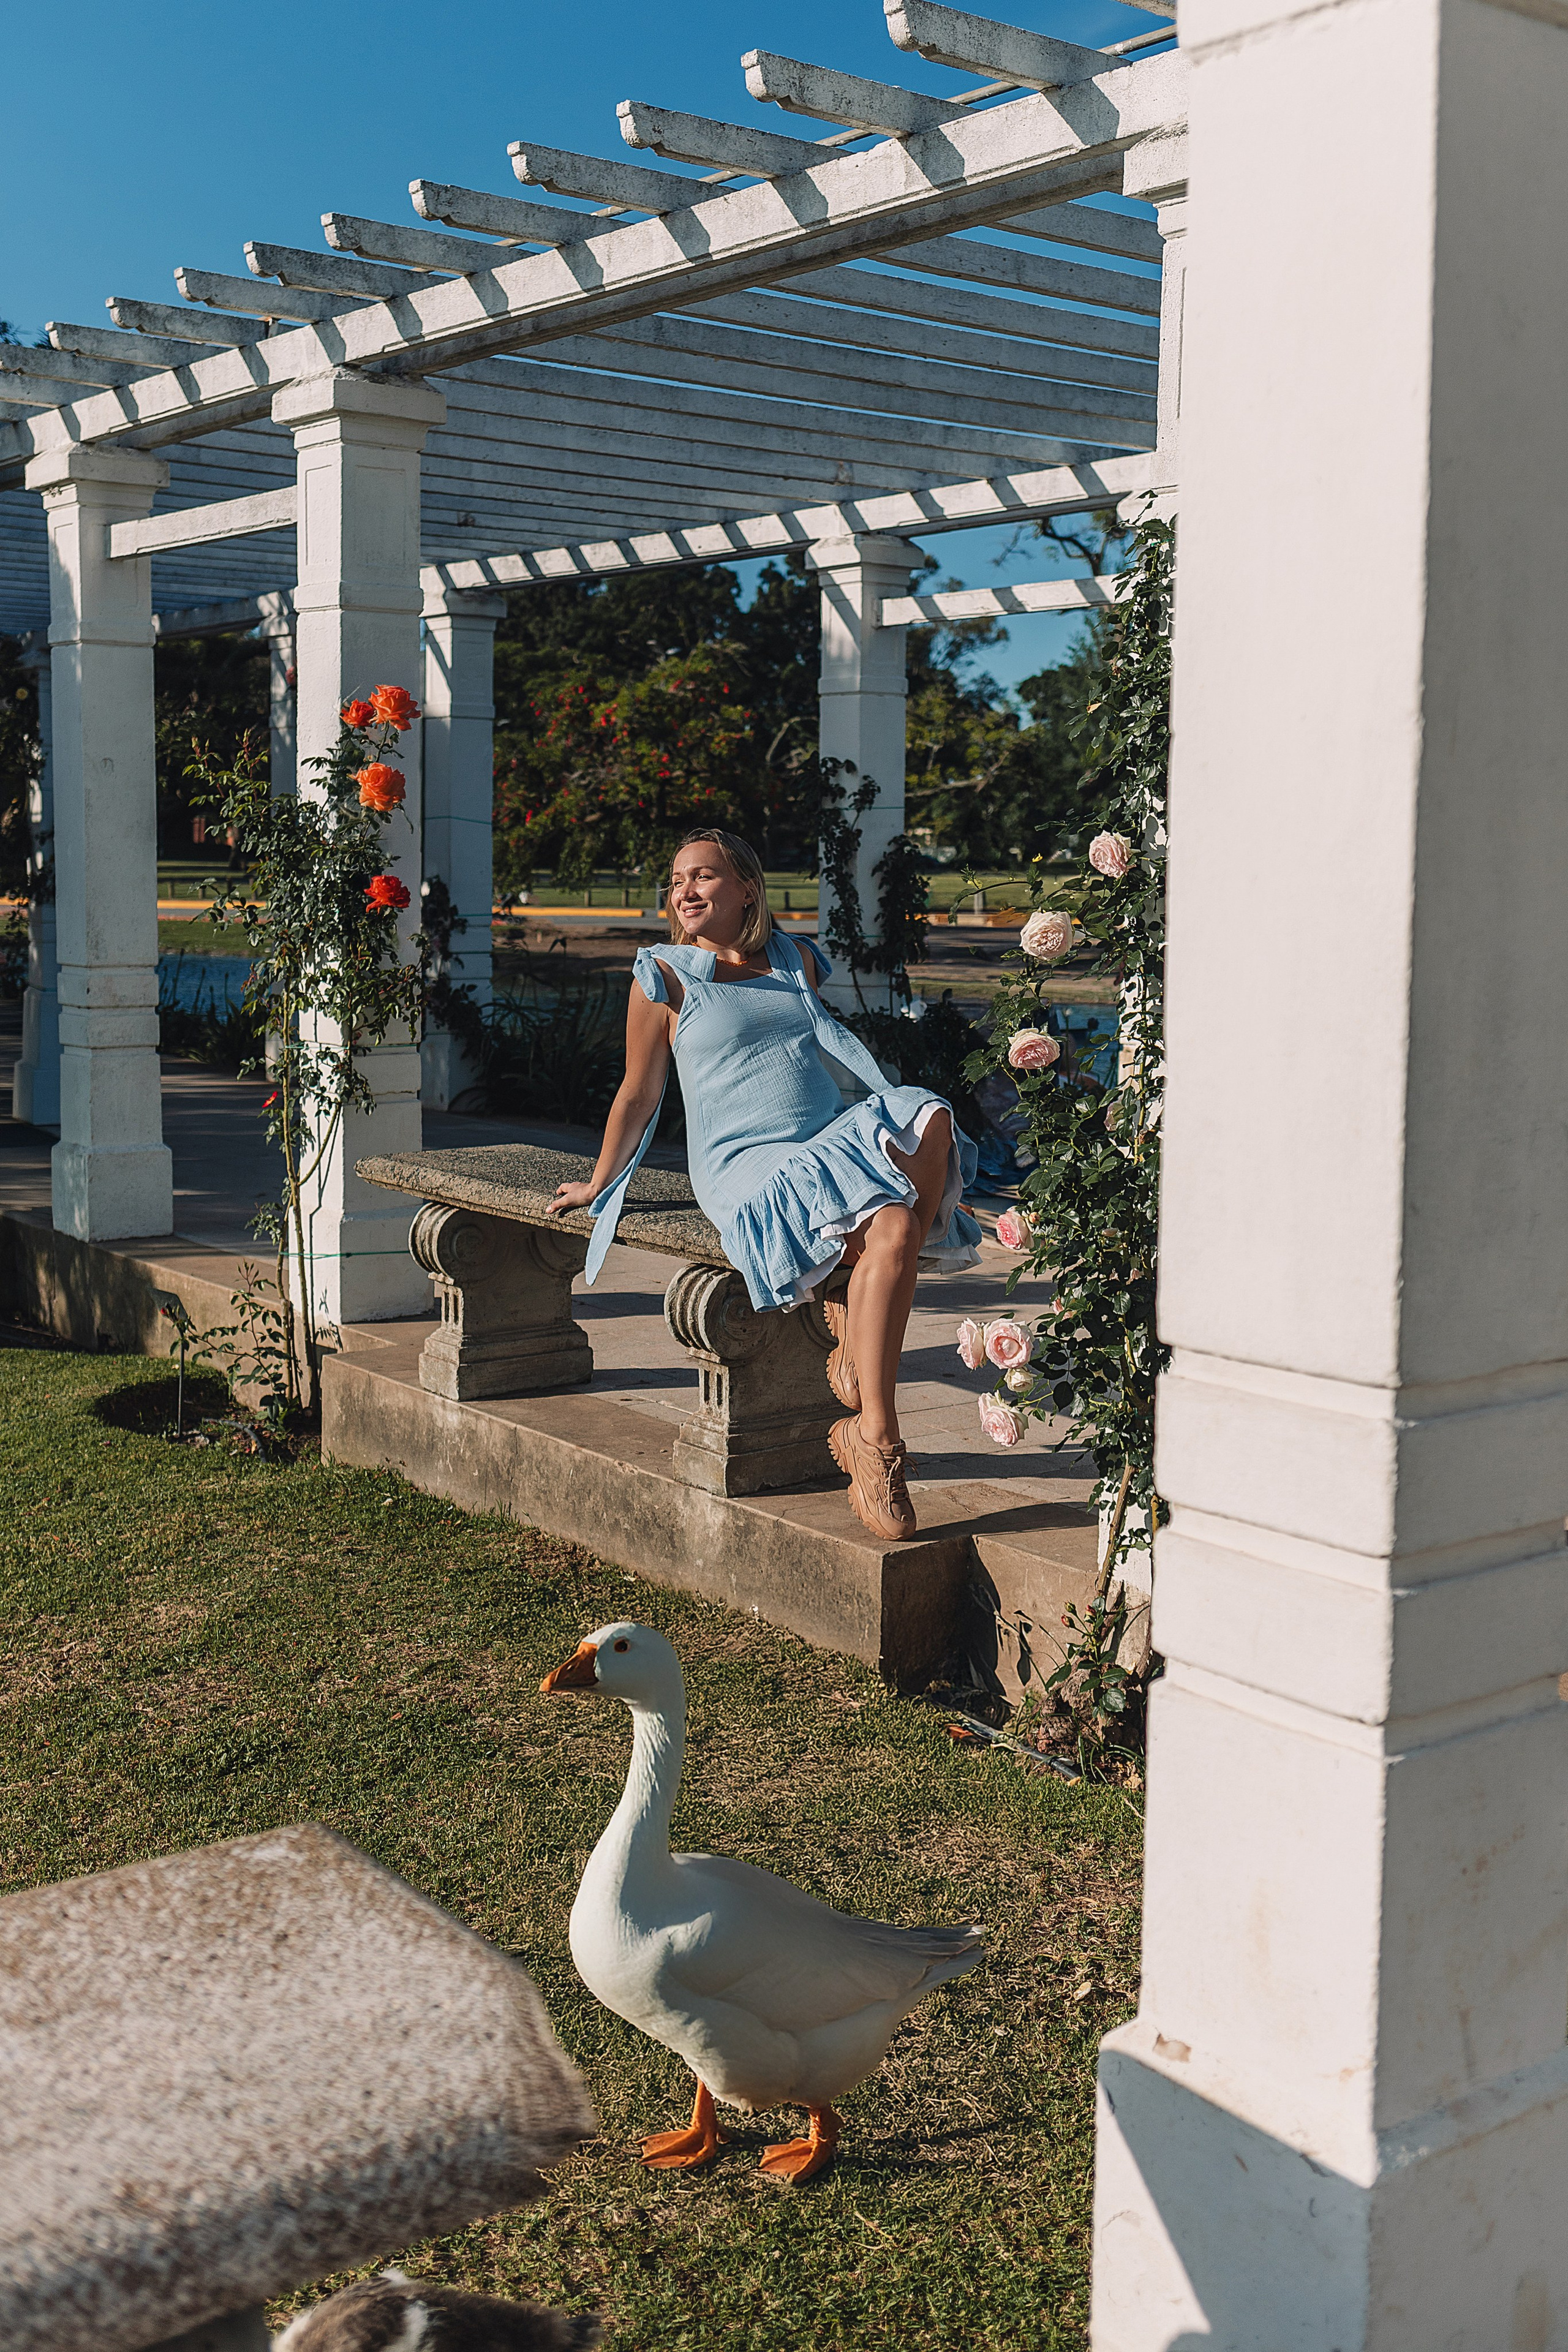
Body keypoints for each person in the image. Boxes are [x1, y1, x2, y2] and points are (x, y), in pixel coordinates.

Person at [548, 830, 980, 1541]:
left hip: (818, 1140)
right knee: (890, 1226)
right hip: (743, 1163)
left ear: (746, 888)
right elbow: (636, 1091)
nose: (685, 890)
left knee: (926, 1119)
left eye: (704, 877)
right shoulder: (664, 975)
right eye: (677, 878)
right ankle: (878, 1424)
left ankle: (863, 1381)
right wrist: (599, 1182)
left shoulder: (796, 958)